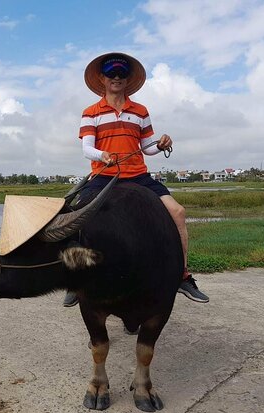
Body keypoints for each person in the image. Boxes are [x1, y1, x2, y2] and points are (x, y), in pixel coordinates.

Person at [63, 52, 209, 307]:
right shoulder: (91, 113)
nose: (116, 77)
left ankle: (183, 275)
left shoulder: (140, 111)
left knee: (178, 212)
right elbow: (87, 148)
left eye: (121, 73)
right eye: (111, 73)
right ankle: (76, 280)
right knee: (77, 219)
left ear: (128, 79)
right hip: (103, 175)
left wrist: (161, 144)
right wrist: (103, 155)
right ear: (102, 78)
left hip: (138, 174)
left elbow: (147, 147)